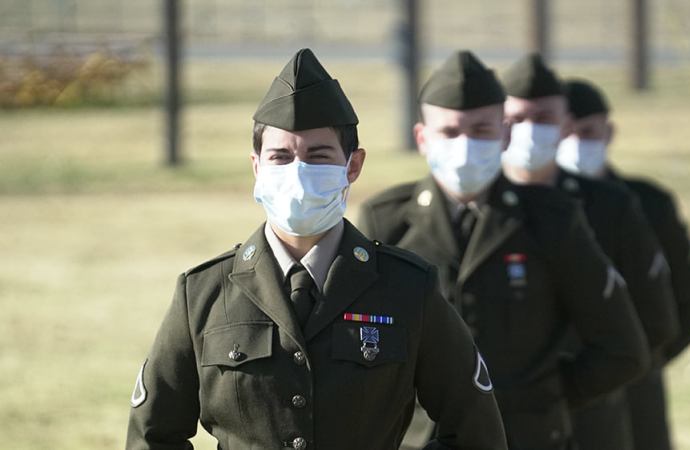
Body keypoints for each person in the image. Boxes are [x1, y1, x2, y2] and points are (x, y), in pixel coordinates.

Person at [126, 48, 509, 450]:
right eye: (281, 156)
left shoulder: (408, 288)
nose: (298, 172)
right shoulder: (203, 294)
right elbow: (153, 435)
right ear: (257, 167)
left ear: (353, 166)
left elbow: (475, 431)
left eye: (318, 155)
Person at [358, 50, 649, 450]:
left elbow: (621, 349)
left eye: (481, 130)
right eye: (450, 131)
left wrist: (543, 400)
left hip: (526, 436)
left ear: (506, 133)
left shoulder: (551, 220)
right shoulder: (387, 222)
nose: (465, 145)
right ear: (423, 138)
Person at [498, 53, 681, 450]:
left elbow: (655, 318)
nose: (529, 132)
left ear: (565, 125)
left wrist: (576, 387)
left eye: (544, 119)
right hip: (496, 414)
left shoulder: (610, 206)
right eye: (516, 120)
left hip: (591, 411)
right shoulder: (480, 206)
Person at [558, 78, 690, 450]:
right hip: (555, 386)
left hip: (633, 384)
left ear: (608, 132)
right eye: (565, 132)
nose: (576, 143)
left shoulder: (646, 204)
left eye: (587, 132)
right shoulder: (527, 210)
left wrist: (644, 359)